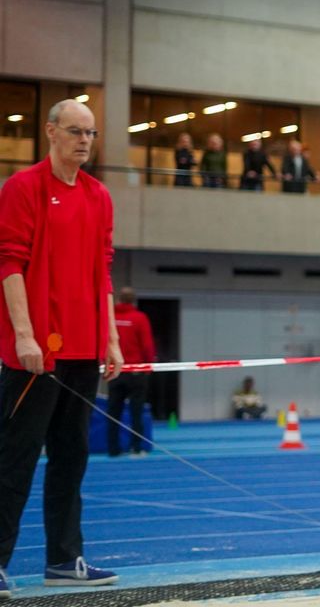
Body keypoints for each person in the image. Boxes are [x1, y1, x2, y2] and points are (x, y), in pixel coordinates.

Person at [0, 99, 123, 595]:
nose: (85, 141)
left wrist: (110, 337)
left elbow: (104, 272)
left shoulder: (99, 196)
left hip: (84, 349)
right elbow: (9, 264)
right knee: (16, 457)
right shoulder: (22, 187)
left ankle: (64, 559)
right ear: (51, 132)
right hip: (34, 353)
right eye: (75, 131)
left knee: (72, 457)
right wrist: (24, 334)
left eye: (91, 134)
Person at [106, 287, 156, 457]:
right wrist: (148, 365)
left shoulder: (110, 318)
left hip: (115, 371)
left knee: (114, 411)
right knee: (136, 411)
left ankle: (113, 449)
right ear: (134, 301)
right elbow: (147, 345)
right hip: (135, 372)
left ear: (119, 300)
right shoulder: (139, 318)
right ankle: (136, 448)